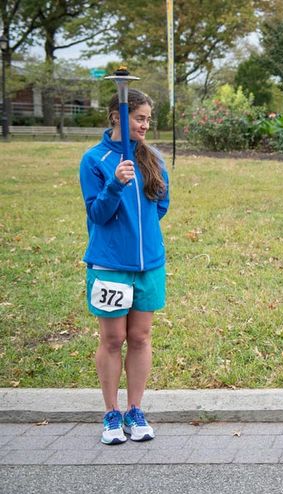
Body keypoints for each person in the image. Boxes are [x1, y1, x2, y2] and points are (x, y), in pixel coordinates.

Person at [79, 89, 169, 445]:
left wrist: (143, 236)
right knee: (113, 339)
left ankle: (135, 409)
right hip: (110, 265)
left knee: (140, 337)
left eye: (148, 118)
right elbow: (97, 214)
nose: (145, 125)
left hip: (149, 265)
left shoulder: (154, 158)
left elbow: (161, 206)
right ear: (117, 116)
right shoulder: (94, 160)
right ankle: (111, 413)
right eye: (139, 117)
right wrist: (115, 183)